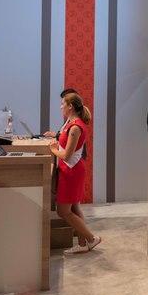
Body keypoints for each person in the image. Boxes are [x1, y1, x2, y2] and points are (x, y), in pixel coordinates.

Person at [49, 92, 101, 254]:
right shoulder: (70, 124)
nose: (61, 107)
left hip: (71, 172)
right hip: (68, 170)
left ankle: (91, 239)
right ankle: (83, 243)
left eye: (63, 104)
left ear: (70, 106)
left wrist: (53, 149)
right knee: (75, 208)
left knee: (63, 211)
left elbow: (66, 155)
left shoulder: (75, 127)